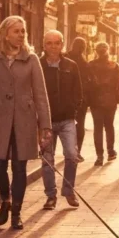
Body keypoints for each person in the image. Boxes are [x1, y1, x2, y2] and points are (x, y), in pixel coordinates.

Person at [0, 16, 52, 229]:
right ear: (5, 34)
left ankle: (16, 212)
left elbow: (40, 94)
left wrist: (45, 125)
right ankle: (5, 199)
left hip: (24, 120)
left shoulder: (31, 59)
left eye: (23, 31)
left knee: (19, 167)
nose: (21, 35)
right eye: (16, 31)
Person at [39, 30, 82, 210]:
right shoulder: (38, 65)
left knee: (71, 155)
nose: (53, 47)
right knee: (47, 160)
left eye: (57, 43)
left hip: (66, 119)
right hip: (46, 121)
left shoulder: (71, 66)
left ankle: (68, 190)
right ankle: (51, 196)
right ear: (44, 45)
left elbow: (78, 91)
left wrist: (72, 108)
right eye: (49, 43)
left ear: (62, 45)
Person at [86, 41, 119, 166]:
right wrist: (117, 99)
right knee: (109, 126)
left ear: (96, 51)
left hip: (95, 101)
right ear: (108, 51)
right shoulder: (114, 65)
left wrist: (89, 99)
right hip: (110, 100)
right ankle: (111, 152)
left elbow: (88, 83)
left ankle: (99, 156)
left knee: (98, 128)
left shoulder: (91, 65)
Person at [66, 36, 91, 162]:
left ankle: (68, 150)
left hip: (65, 97)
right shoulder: (84, 63)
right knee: (79, 125)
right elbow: (87, 82)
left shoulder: (65, 58)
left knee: (65, 125)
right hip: (80, 98)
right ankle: (77, 151)